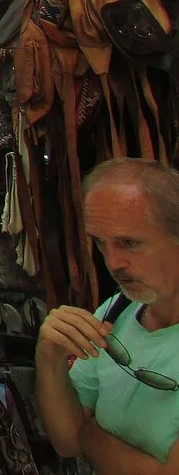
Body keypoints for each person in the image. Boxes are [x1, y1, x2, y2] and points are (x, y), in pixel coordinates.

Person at [36, 158, 179, 470]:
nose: (112, 263)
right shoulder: (117, 311)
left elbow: (79, 433)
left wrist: (89, 432)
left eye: (129, 243)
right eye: (100, 243)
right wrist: (50, 358)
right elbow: (66, 441)